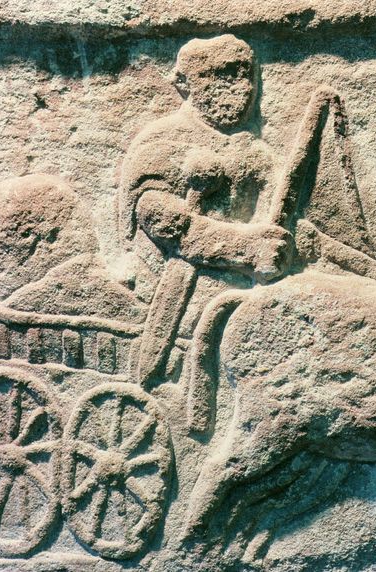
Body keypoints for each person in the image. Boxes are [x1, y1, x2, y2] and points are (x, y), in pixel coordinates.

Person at [118, 35, 293, 390]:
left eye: (246, 75)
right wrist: (246, 248)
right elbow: (166, 222)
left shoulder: (256, 151)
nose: (240, 87)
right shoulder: (163, 141)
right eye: (223, 75)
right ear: (185, 83)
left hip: (242, 288)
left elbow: (287, 217)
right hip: (176, 292)